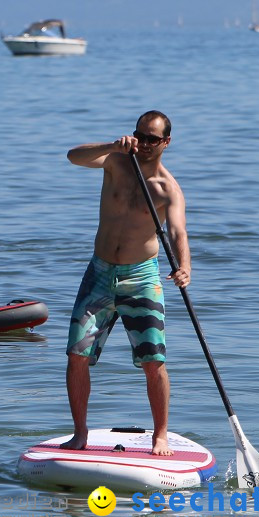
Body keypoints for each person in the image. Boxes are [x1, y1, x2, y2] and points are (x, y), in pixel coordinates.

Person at [61, 110, 191, 456]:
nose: (144, 144)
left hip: (141, 277)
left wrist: (184, 267)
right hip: (100, 273)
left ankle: (160, 435)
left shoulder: (167, 188)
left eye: (152, 139)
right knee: (77, 354)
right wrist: (112, 145)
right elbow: (73, 156)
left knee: (154, 361)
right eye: (140, 136)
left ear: (166, 142)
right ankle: (79, 433)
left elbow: (178, 231)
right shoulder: (116, 162)